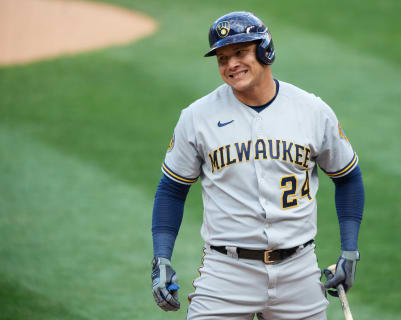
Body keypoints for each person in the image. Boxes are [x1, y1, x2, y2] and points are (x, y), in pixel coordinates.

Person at [150, 11, 365, 320]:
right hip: (226, 272)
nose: (231, 64)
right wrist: (162, 257)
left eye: (240, 52)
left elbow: (348, 178)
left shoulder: (312, 111)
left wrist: (349, 251)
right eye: (222, 58)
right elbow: (171, 190)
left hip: (299, 271)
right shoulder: (197, 117)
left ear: (265, 50)